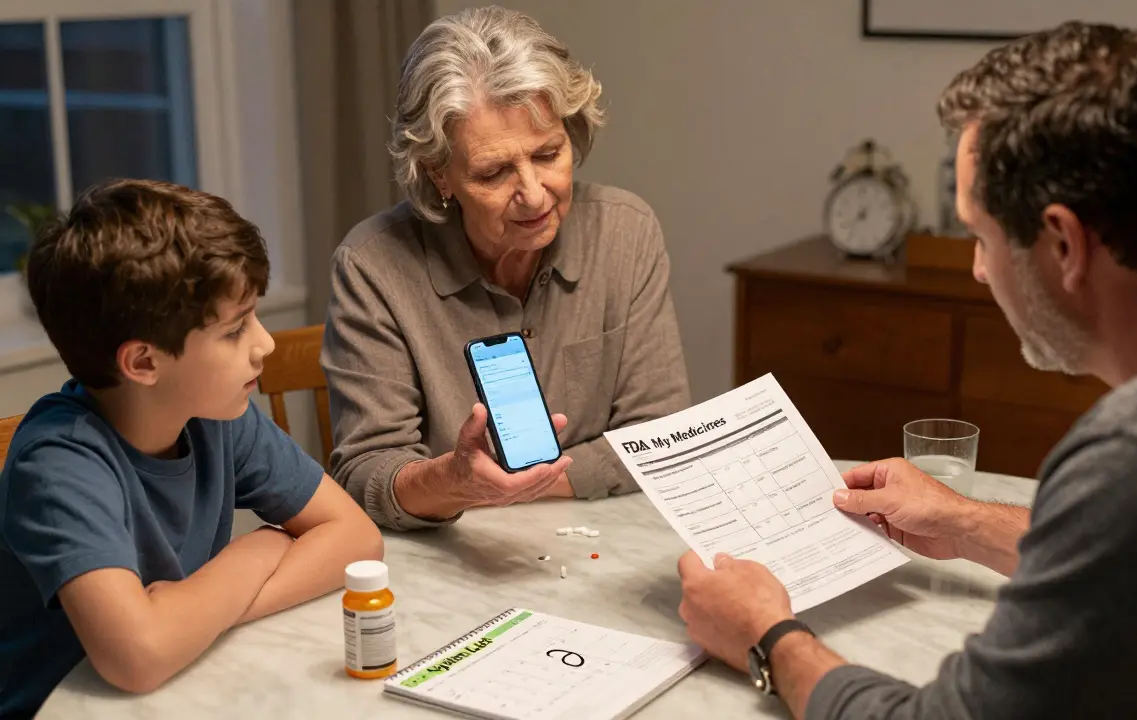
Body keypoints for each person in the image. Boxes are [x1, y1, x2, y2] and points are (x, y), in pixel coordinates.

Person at [677, 21, 1137, 720]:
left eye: (982, 235)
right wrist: (964, 523)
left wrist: (765, 636)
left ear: (1063, 244)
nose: (978, 268)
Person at [0, 180, 384, 718]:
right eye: (234, 331)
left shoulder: (214, 414)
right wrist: (258, 550)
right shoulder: (58, 462)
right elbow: (139, 655)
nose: (265, 343)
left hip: (182, 685)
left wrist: (199, 608)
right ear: (144, 363)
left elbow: (357, 538)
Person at [322, 6, 691, 531]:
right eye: (493, 172)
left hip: (600, 537)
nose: (534, 195)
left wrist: (515, 488)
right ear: (439, 175)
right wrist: (455, 481)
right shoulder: (373, 266)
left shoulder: (625, 231)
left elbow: (662, 434)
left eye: (548, 154)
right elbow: (366, 475)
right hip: (451, 556)